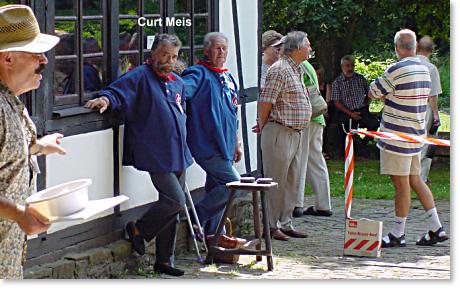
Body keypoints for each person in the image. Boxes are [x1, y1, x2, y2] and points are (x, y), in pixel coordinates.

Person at [85, 34, 192, 276]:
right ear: (153, 53)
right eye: (164, 55)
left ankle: (165, 260)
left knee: (174, 209)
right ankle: (139, 230)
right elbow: (117, 92)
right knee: (176, 200)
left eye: (174, 57)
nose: (169, 61)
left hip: (178, 151)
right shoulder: (139, 76)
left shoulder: (177, 82)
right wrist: (104, 100)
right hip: (156, 151)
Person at [0, 4, 66, 279]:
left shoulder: (11, 102)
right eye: (35, 53)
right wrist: (18, 213)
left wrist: (38, 147)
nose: (44, 60)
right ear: (7, 59)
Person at [369, 29, 448, 247]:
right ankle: (436, 227)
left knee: (401, 184)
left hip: (396, 136)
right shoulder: (424, 69)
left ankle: (398, 233)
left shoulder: (396, 69)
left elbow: (374, 92)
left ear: (397, 48)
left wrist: (387, 95)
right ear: (414, 47)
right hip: (415, 134)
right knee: (416, 181)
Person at [181, 32, 242, 238]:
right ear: (207, 51)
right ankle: (195, 216)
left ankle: (214, 235)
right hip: (207, 145)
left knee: (215, 187)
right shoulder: (197, 74)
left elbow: (233, 113)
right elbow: (180, 93)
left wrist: (237, 142)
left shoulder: (227, 76)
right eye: (217, 48)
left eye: (224, 48)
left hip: (226, 145)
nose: (221, 52)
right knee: (232, 185)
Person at [253, 31, 311, 241]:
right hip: (279, 131)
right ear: (296, 49)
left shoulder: (296, 69)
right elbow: (266, 101)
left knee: (291, 181)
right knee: (275, 181)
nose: (310, 49)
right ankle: (270, 225)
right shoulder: (279, 70)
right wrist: (262, 124)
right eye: (308, 45)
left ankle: (285, 222)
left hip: (294, 132)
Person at [293, 59, 332, 218]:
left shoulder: (297, 65)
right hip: (317, 119)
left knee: (300, 161)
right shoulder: (307, 65)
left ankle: (297, 203)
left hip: (307, 118)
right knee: (316, 161)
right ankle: (324, 204)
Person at [331, 55, 379, 153]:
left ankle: (364, 143)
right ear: (342, 66)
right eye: (347, 66)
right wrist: (351, 113)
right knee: (343, 127)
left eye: (352, 66)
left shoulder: (360, 79)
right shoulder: (337, 82)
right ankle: (348, 150)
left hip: (361, 109)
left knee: (374, 123)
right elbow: (336, 102)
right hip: (345, 110)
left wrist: (366, 104)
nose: (350, 68)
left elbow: (369, 93)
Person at [417, 36, 442, 185]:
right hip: (425, 108)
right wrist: (436, 115)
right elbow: (433, 95)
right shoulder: (431, 68)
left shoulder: (409, 64)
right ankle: (421, 177)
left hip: (409, 107)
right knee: (427, 142)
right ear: (431, 51)